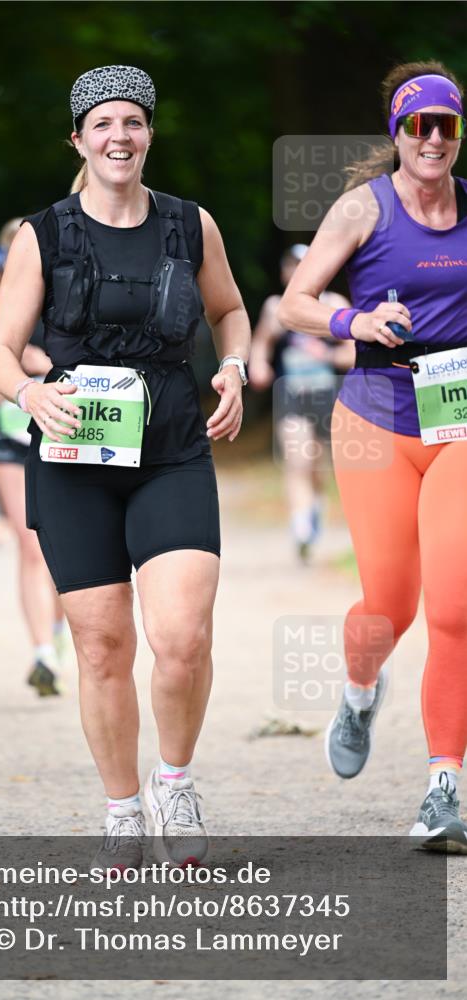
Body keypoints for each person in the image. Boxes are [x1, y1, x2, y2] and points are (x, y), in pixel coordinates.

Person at [0, 65, 250, 867]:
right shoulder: (45, 233)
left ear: (148, 134)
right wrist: (28, 393)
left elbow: (230, 310)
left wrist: (232, 367)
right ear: (77, 138)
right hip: (73, 461)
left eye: (131, 122)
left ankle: (175, 783)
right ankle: (122, 808)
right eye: (101, 124)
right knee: (101, 647)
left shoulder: (188, 224)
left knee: (180, 639)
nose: (118, 136)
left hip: (171, 452)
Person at [279, 61, 467, 851]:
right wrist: (352, 322)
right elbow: (295, 302)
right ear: (395, 135)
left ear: (457, 135)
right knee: (386, 610)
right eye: (416, 124)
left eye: (444, 125)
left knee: (455, 608)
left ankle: (443, 788)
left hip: (458, 420)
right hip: (371, 421)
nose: (430, 138)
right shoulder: (362, 207)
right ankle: (359, 691)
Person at [0, 232, 66, 697]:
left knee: (62, 548)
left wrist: (38, 360)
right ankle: (42, 651)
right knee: (29, 547)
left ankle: (61, 630)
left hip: (66, 436)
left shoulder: (70, 300)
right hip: (10, 432)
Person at [249, 246, 354, 562]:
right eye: (291, 266)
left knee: (317, 465)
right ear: (283, 272)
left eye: (303, 265)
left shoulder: (334, 305)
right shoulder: (275, 308)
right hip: (292, 393)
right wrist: (258, 366)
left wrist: (329, 355)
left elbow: (353, 353)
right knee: (297, 459)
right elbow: (260, 345)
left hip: (327, 396)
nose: (296, 272)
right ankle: (301, 526)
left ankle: (315, 507)